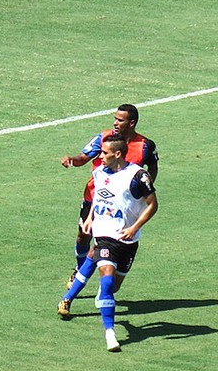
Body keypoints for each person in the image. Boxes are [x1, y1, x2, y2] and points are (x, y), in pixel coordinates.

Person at [58, 134, 158, 352]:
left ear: (118, 154)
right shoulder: (100, 171)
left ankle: (68, 297)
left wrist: (134, 228)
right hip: (104, 234)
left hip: (128, 239)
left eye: (104, 153)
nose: (100, 156)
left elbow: (152, 205)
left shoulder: (138, 176)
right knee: (106, 281)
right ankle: (110, 334)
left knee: (113, 286)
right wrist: (90, 218)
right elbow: (99, 197)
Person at [60, 104, 158, 289]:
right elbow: (83, 157)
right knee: (83, 235)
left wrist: (145, 188)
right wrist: (72, 160)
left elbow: (152, 165)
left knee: (110, 240)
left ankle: (104, 280)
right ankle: (80, 269)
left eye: (120, 120)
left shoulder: (145, 146)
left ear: (132, 123)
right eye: (115, 118)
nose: (115, 122)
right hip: (95, 196)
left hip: (122, 203)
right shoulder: (104, 138)